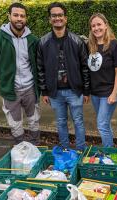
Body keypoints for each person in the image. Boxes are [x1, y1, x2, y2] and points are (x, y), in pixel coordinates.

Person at [37, 2, 90, 151]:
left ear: (65, 18)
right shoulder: (43, 42)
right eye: (54, 15)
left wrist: (86, 90)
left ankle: (81, 150)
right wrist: (44, 91)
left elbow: (85, 67)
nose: (57, 18)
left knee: (78, 121)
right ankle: (65, 150)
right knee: (60, 122)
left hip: (74, 90)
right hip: (55, 92)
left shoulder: (77, 41)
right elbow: (40, 68)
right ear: (50, 19)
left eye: (60, 15)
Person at [0, 2, 40, 145]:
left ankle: (35, 145)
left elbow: (37, 64)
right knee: (15, 123)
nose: (19, 18)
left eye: (22, 16)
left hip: (30, 88)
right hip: (11, 90)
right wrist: (4, 79)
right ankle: (21, 147)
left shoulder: (33, 40)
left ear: (26, 18)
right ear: (9, 16)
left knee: (34, 119)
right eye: (15, 15)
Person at [87, 13, 117, 147]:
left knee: (101, 124)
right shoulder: (90, 46)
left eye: (99, 24)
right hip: (95, 93)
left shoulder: (115, 45)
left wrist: (114, 93)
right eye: (93, 26)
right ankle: (111, 149)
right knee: (105, 123)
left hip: (108, 93)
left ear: (106, 25)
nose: (96, 28)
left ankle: (108, 152)